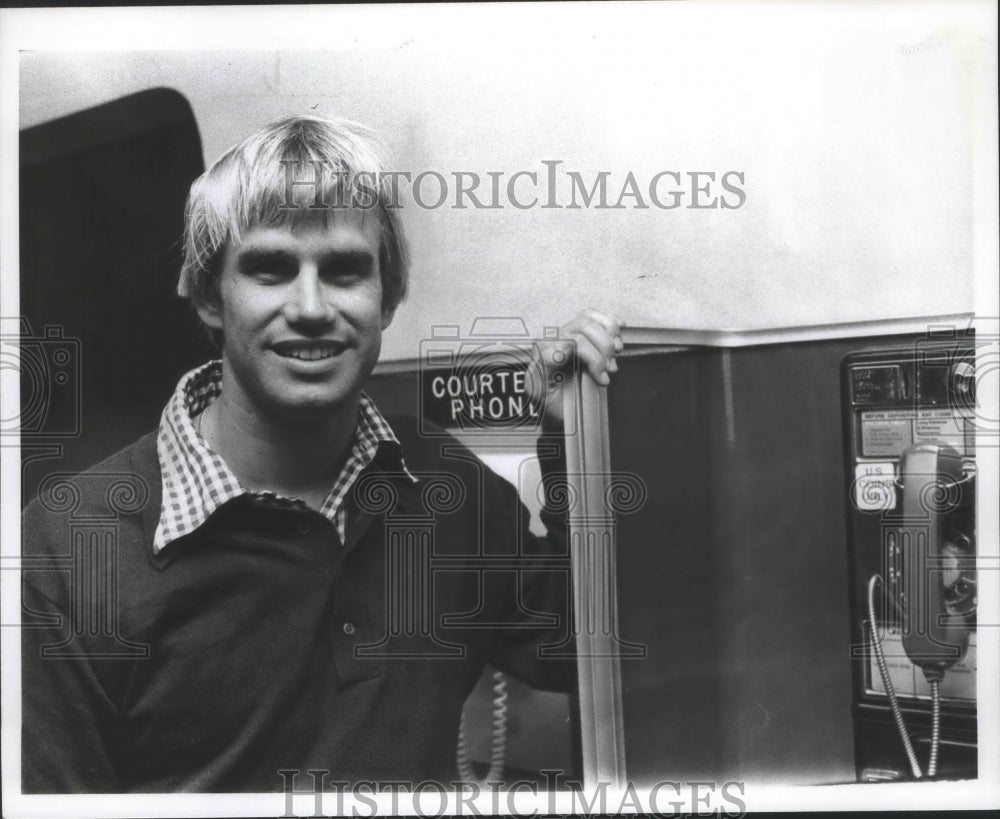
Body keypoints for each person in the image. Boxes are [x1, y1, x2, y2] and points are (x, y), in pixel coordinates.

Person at [21, 115, 623, 793]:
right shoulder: (62, 550)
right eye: (271, 268)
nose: (310, 307)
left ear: (387, 297)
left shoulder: (441, 482)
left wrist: (574, 438)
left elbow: (581, 649)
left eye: (342, 271)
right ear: (207, 295)